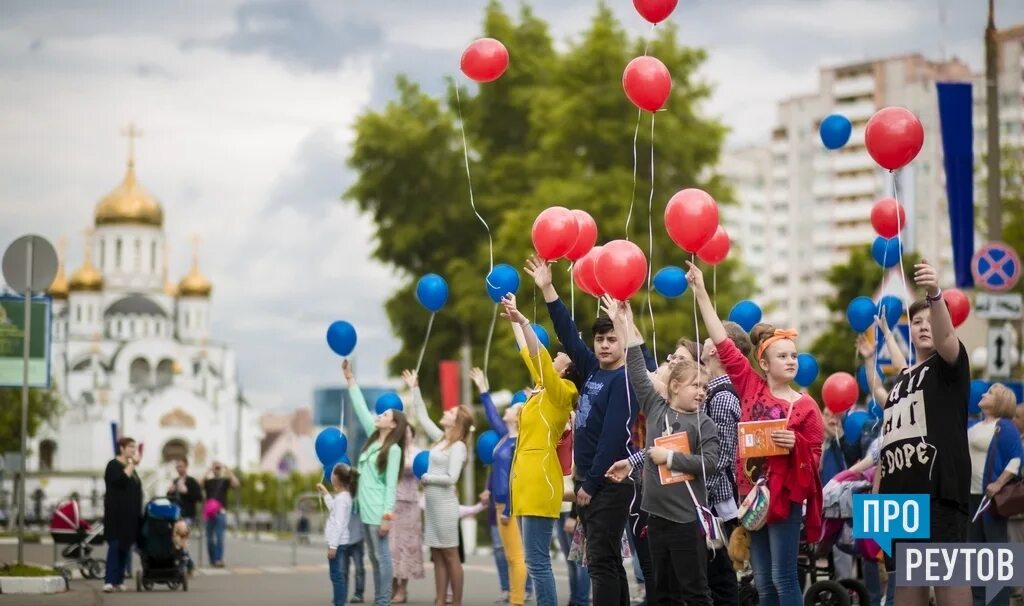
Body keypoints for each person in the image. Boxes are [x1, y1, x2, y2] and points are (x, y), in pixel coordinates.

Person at [687, 261, 824, 606]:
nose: (791, 361)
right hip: (751, 498)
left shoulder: (806, 406)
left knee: (783, 578)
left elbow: (816, 463)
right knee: (762, 582)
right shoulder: (749, 386)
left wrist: (796, 445)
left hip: (783, 500)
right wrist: (701, 291)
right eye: (782, 356)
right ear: (764, 363)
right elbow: (722, 341)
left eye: (794, 355)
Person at [528, 255, 654, 606]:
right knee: (608, 561)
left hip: (609, 484)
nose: (603, 345)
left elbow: (614, 437)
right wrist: (549, 288)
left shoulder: (623, 380)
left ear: (621, 343)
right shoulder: (593, 370)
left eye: (612, 339)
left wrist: (590, 484)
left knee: (600, 563)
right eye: (600, 339)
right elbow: (567, 333)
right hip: (594, 481)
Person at [603, 297, 719, 606]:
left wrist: (669, 458)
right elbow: (638, 369)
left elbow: (711, 465)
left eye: (704, 388)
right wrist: (623, 323)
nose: (701, 392)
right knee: (663, 593)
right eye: (695, 385)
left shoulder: (703, 423)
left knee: (695, 594)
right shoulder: (656, 409)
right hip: (656, 520)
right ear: (674, 388)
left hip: (685, 521)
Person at [876, 259, 972, 606]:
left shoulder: (949, 366)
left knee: (946, 580)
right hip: (898, 496)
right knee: (905, 586)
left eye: (930, 318)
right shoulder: (902, 378)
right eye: (916, 322)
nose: (924, 325)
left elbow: (946, 335)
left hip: (937, 490)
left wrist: (934, 294)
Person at [501, 292, 580, 606]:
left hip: (539, 482)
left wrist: (524, 321)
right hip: (526, 480)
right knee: (534, 561)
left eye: (563, 355)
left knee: (537, 561)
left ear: (567, 369)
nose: (557, 354)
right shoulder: (545, 387)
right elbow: (528, 352)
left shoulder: (564, 391)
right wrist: (515, 318)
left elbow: (541, 358)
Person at [344, 359, 407, 606]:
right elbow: (360, 408)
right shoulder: (373, 438)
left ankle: (383, 601)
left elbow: (391, 485)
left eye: (385, 414)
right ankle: (381, 598)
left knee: (382, 558)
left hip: (378, 511)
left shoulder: (393, 450)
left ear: (393, 424)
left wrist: (387, 516)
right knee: (373, 556)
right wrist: (350, 379)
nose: (379, 415)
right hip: (364, 507)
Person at [407, 369, 473, 606]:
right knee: (436, 554)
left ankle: (455, 601)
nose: (446, 412)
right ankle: (439, 600)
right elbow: (423, 419)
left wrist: (427, 477)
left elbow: (451, 478)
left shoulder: (458, 446)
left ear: (457, 421)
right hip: (433, 507)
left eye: (451, 412)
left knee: (450, 554)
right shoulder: (441, 440)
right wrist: (415, 388)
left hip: (445, 506)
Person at [472, 366, 528, 606]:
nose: (508, 409)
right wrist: (483, 390)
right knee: (509, 556)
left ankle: (517, 600)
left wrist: (508, 508)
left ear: (519, 417)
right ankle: (515, 596)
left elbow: (518, 477)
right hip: (499, 503)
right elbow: (492, 416)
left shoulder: (519, 442)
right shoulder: (506, 436)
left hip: (509, 505)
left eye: (513, 408)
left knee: (517, 557)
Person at [697, 332, 742, 605]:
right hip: (713, 498)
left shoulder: (722, 398)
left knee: (721, 575)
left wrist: (701, 495)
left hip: (719, 500)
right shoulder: (712, 392)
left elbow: (722, 455)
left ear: (715, 350)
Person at [968, 383, 1021, 606]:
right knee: (974, 550)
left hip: (989, 498)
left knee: (994, 551)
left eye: (990, 393)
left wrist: (998, 483)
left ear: (1001, 401)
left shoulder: (1005, 427)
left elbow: (1016, 459)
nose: (983, 394)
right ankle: (979, 600)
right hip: (970, 495)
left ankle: (998, 602)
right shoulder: (974, 425)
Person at [103, 436, 143, 593]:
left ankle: (119, 580)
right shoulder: (113, 465)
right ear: (122, 448)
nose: (134, 450)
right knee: (115, 546)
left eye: (135, 447)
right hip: (116, 514)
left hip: (130, 516)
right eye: (131, 447)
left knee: (125, 547)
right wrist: (132, 463)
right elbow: (119, 481)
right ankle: (109, 580)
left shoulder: (132, 469)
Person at [391, 425, 425, 603]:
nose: (406, 435)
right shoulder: (391, 450)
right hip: (392, 503)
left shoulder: (417, 453)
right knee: (392, 548)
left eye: (409, 432)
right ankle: (392, 587)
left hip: (410, 503)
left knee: (407, 548)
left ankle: (402, 589)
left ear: (412, 434)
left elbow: (418, 470)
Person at [318, 463, 357, 606]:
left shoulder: (342, 499)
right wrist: (326, 494)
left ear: (337, 478)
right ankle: (338, 602)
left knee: (337, 575)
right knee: (337, 575)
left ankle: (339, 603)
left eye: (333, 473)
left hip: (338, 543)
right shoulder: (343, 497)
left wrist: (333, 546)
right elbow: (334, 510)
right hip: (340, 542)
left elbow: (339, 524)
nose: (331, 475)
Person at [167, 458, 203, 573]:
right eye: (177, 466)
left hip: (187, 515)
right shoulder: (175, 481)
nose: (179, 469)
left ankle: (184, 565)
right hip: (175, 516)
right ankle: (188, 564)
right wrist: (170, 492)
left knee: (180, 538)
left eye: (181, 466)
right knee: (177, 540)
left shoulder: (192, 481)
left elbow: (199, 497)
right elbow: (169, 499)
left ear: (186, 467)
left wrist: (186, 491)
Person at [203, 460, 240, 568]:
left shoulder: (225, 481)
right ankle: (212, 559)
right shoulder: (208, 482)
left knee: (219, 537)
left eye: (219, 468)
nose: (217, 469)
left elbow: (236, 483)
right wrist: (207, 471)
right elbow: (199, 483)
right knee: (209, 538)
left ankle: (218, 560)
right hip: (209, 513)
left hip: (221, 512)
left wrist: (228, 471)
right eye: (215, 467)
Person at [345, 501, 367, 603]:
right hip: (343, 540)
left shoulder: (359, 499)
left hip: (357, 539)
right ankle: (342, 593)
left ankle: (359, 593)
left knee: (359, 569)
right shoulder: (341, 498)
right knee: (343, 570)